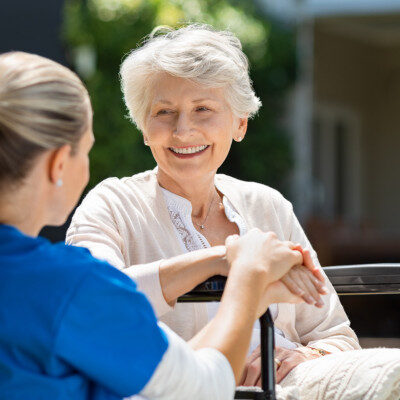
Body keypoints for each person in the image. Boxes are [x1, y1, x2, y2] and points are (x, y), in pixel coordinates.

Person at [0, 51, 323, 399]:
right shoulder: (70, 285)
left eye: (202, 109)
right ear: (59, 164)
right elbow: (203, 389)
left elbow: (174, 382)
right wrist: (247, 275)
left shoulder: (61, 285)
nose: (183, 129)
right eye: (87, 150)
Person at [66, 24, 360, 387]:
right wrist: (226, 259)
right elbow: (93, 303)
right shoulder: (111, 204)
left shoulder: (268, 205)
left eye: (203, 109)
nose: (182, 130)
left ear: (240, 123)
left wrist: (303, 355)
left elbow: (336, 335)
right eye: (163, 112)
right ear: (144, 127)